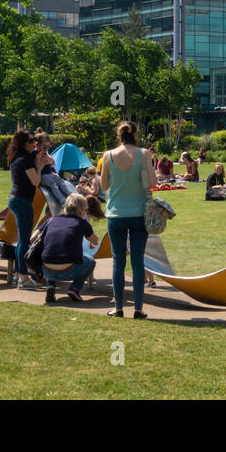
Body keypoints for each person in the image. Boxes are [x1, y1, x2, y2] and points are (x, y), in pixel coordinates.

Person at [100, 121, 155, 317]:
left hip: (116, 214)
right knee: (138, 262)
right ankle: (138, 308)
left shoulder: (108, 155)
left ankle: (119, 307)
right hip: (139, 214)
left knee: (118, 262)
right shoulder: (144, 154)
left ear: (119, 135)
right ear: (135, 134)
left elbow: (104, 186)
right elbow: (153, 182)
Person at [40, 193, 100, 305]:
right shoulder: (82, 223)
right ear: (81, 210)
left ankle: (50, 286)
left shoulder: (52, 220)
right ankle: (74, 288)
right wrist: (92, 243)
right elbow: (96, 241)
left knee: (53, 252)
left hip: (46, 269)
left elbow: (32, 238)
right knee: (90, 261)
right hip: (69, 270)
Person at [8, 130, 46, 291]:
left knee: (21, 240)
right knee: (24, 241)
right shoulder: (25, 160)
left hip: (16, 199)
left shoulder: (17, 157)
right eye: (31, 141)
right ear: (24, 143)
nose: (34, 143)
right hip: (23, 202)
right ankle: (23, 279)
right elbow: (36, 181)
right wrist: (40, 166)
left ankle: (19, 274)